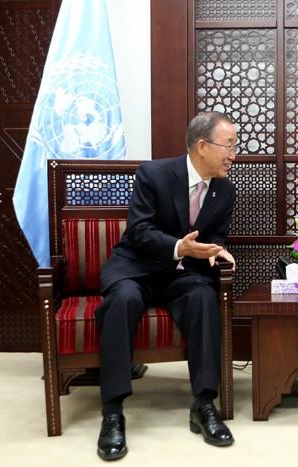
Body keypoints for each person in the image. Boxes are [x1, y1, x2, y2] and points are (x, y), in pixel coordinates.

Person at [95, 111, 237, 460]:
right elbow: (139, 231)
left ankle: (204, 404)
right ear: (202, 146)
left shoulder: (225, 190)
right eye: (229, 146)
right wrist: (179, 247)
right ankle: (112, 412)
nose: (234, 155)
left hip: (182, 275)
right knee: (122, 300)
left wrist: (217, 249)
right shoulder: (153, 174)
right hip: (137, 268)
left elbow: (217, 233)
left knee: (204, 297)